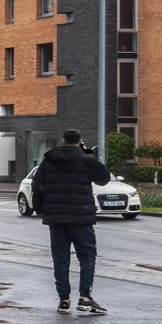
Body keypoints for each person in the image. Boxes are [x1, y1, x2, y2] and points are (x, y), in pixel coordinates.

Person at [31, 128, 111, 314]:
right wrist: (88, 153)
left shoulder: (49, 160)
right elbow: (104, 179)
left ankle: (64, 300)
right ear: (80, 141)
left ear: (63, 141)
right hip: (81, 217)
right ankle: (85, 297)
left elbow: (37, 184)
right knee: (87, 256)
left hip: (56, 218)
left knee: (60, 259)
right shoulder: (86, 159)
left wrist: (40, 208)